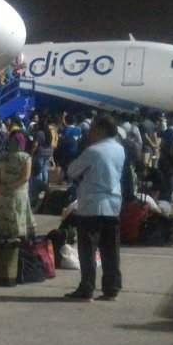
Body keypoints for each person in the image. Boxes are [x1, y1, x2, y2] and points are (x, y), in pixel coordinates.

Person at [65, 115, 125, 301]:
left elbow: (72, 171)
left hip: (92, 205)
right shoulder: (119, 149)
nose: (89, 132)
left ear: (101, 130)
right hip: (113, 203)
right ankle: (111, 287)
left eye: (92, 129)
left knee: (87, 250)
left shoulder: (93, 151)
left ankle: (87, 287)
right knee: (110, 249)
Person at [0, 130, 36, 240]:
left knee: (1, 225)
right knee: (17, 223)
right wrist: (12, 186)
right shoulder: (26, 158)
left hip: (2, 193)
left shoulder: (2, 157)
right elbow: (25, 178)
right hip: (18, 194)